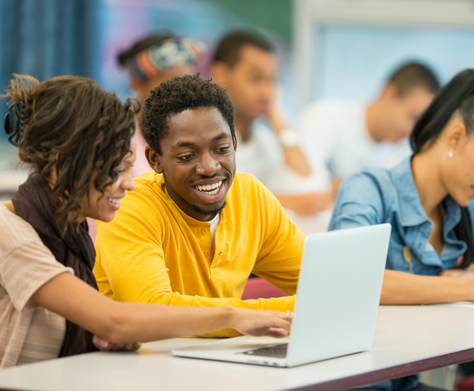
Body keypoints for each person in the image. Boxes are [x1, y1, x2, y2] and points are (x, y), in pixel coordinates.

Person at [0, 74, 291, 369]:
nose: (129, 184)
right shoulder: (6, 231)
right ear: (66, 163)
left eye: (128, 167)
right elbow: (115, 321)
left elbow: (105, 327)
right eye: (115, 170)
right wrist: (237, 317)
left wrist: (105, 337)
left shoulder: (69, 234)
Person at [329, 69, 474, 391]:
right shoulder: (368, 189)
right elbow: (356, 280)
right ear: (456, 137)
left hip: (402, 380)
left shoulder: (459, 206)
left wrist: (471, 273)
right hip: (353, 379)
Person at [95, 74, 305, 336]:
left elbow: (324, 280)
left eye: (221, 148)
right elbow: (151, 308)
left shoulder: (251, 196)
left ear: (235, 144)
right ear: (154, 160)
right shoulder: (131, 207)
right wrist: (261, 315)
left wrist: (363, 291)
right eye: (186, 156)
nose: (209, 167)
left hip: (219, 359)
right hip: (141, 367)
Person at [210, 30, 333, 215]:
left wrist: (278, 119)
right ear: (221, 74)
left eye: (272, 81)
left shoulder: (264, 138)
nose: (266, 92)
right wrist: (288, 202)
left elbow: (312, 186)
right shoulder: (202, 137)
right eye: (256, 79)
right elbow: (214, 199)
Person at [299, 62, 440, 190]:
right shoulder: (327, 115)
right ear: (388, 93)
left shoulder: (396, 159)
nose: (412, 132)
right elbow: (299, 179)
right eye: (413, 117)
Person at [118, 33, 205, 177]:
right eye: (171, 84)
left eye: (190, 83)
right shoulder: (119, 139)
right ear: (137, 82)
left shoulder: (201, 132)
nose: (184, 93)